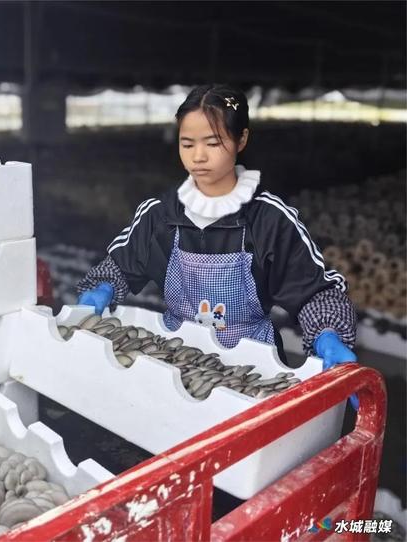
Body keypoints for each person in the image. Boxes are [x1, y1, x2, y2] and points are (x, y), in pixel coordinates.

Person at [77, 84, 358, 407]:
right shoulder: (160, 215)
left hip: (251, 368)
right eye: (187, 144)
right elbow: (120, 267)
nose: (198, 156)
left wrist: (328, 334)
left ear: (241, 140)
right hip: (174, 358)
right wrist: (103, 287)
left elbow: (314, 293)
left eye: (213, 142)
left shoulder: (268, 219)